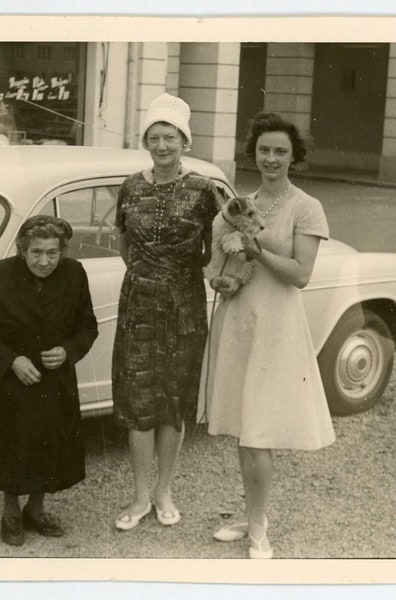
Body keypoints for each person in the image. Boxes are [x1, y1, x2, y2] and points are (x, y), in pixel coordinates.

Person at [198, 111, 336, 558]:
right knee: (243, 426)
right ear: (253, 153)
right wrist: (222, 264)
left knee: (258, 430)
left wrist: (257, 249)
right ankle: (252, 513)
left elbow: (301, 273)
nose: (271, 158)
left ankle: (258, 528)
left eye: (280, 151)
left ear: (295, 156)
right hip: (238, 317)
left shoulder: (306, 206)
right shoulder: (241, 200)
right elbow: (221, 250)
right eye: (264, 150)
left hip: (276, 323)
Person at [112, 93, 221, 530]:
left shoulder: (202, 189)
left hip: (185, 307)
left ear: (184, 141)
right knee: (139, 400)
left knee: (172, 400)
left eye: (170, 137)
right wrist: (147, 276)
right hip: (138, 303)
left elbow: (217, 249)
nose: (162, 145)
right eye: (154, 137)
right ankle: (140, 496)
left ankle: (164, 490)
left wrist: (182, 276)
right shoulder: (131, 186)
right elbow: (122, 240)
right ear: (147, 142)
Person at [0, 215, 98, 546]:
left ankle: (36, 509)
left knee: (50, 446)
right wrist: (11, 361)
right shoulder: (0, 274)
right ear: (23, 250)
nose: (44, 261)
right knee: (13, 447)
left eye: (52, 253)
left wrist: (68, 351)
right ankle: (11, 511)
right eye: (36, 252)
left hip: (55, 382)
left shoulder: (74, 273)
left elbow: (88, 326)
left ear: (62, 252)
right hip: (13, 383)